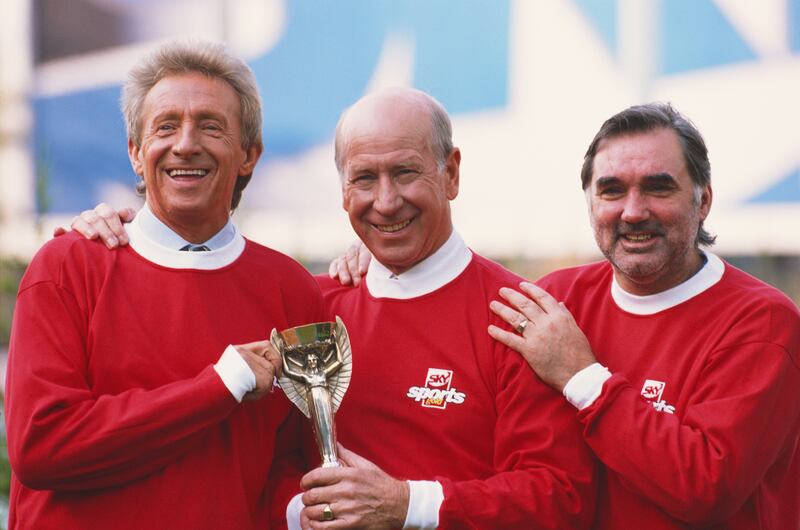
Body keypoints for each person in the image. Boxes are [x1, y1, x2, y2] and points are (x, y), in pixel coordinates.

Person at [64, 88, 598, 529]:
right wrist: (299, 512)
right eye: (365, 179)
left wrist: (406, 505)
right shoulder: (308, 306)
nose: (385, 202)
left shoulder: (515, 319)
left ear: (452, 174)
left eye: (406, 173)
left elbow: (558, 496)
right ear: (342, 190)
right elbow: (256, 463)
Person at [5, 40, 325, 530]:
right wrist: (221, 384)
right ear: (136, 152)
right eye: (166, 126)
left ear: (249, 154)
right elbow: (43, 447)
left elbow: (291, 463)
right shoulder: (66, 268)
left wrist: (299, 509)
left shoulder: (293, 291)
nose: (185, 144)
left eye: (211, 126)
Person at [486, 103, 800, 528]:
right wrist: (374, 270)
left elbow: (706, 489)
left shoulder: (762, 323)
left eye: (658, 188)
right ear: (590, 202)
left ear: (703, 200)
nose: (633, 211)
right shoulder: (555, 300)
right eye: (612, 190)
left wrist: (583, 378)